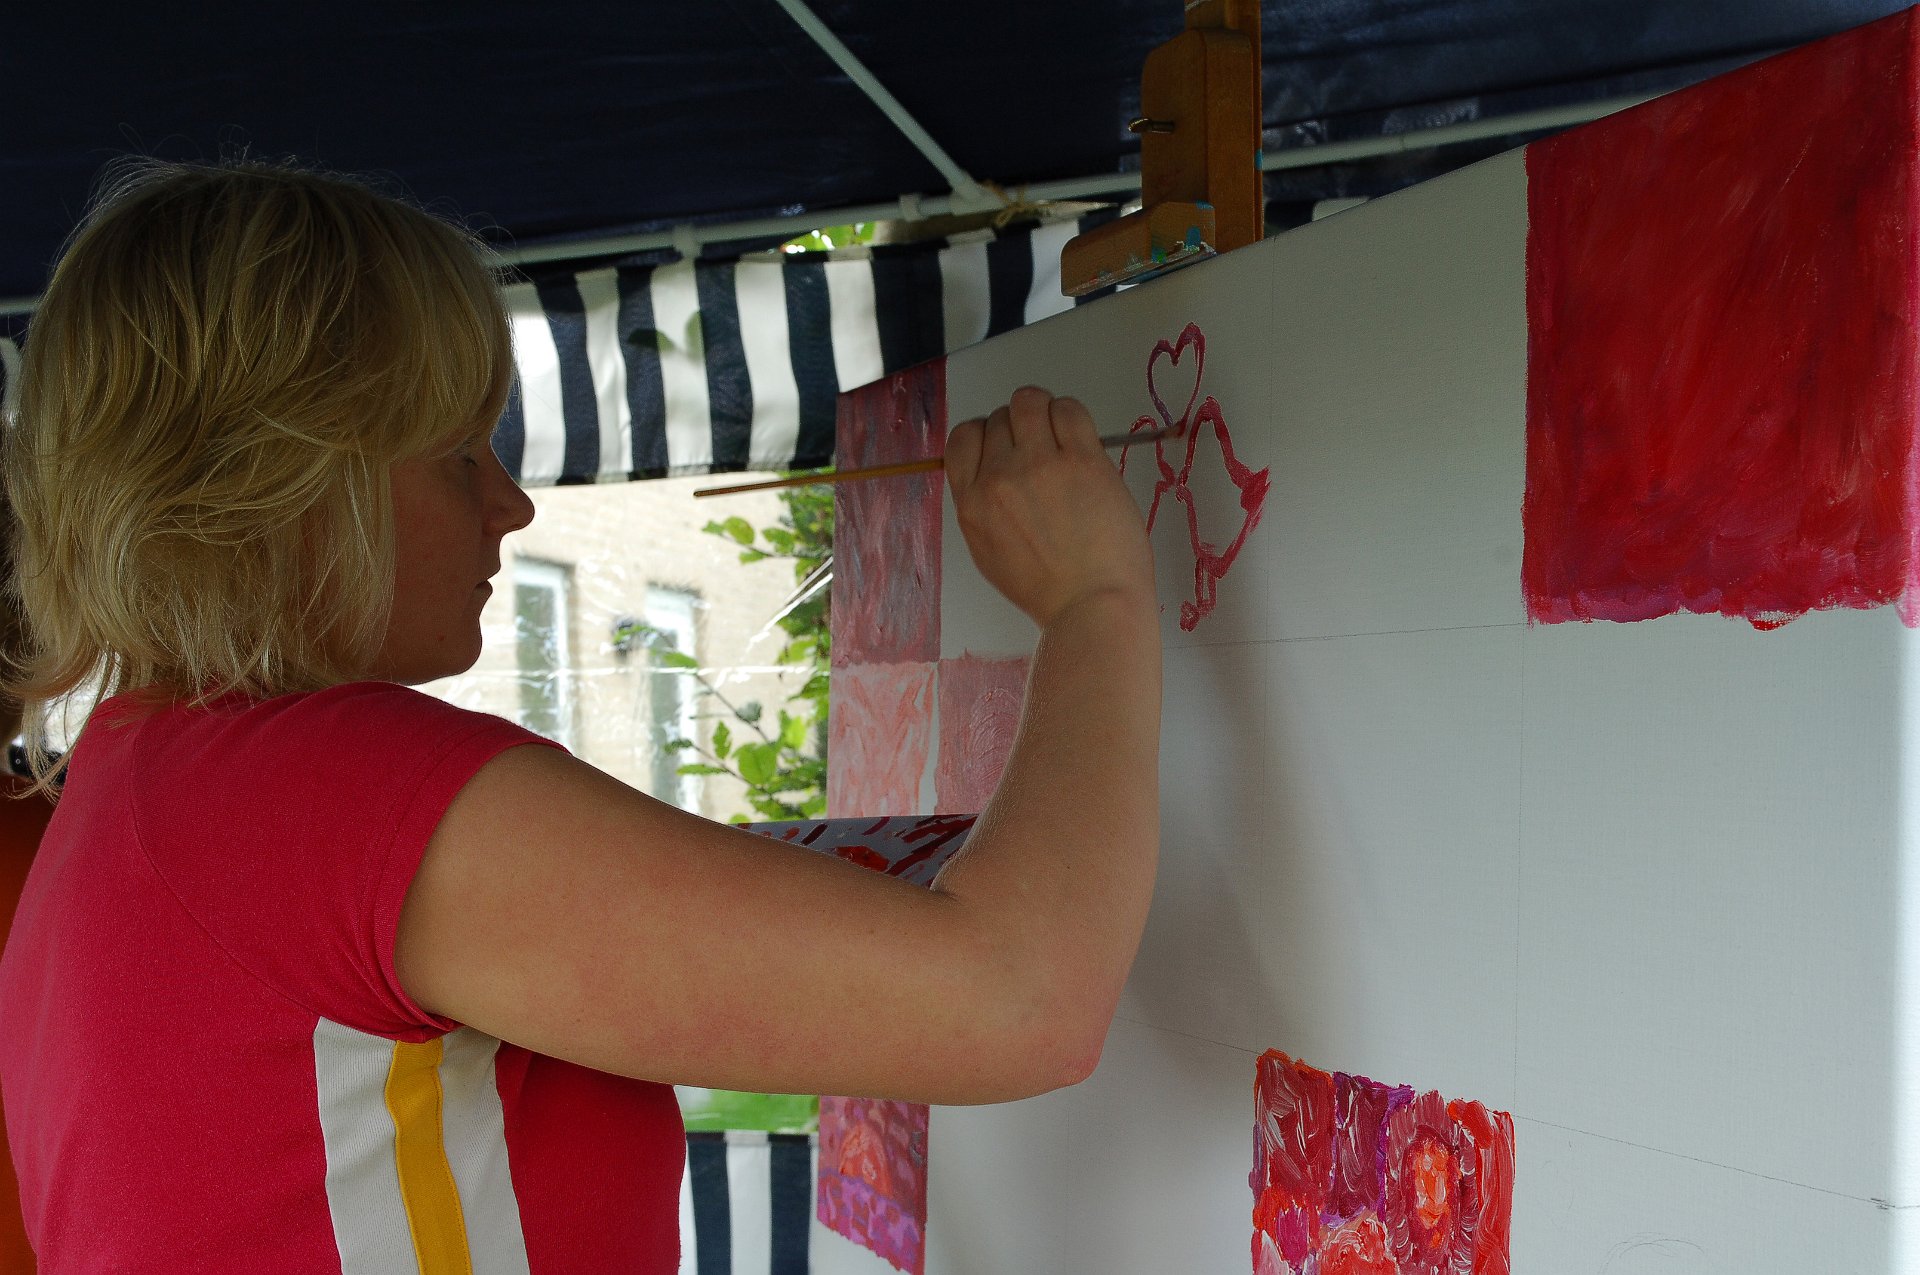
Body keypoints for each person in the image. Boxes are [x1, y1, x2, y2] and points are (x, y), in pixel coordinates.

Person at [0, 159, 1162, 1273]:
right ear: (279, 480)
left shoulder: (129, 788)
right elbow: (1019, 1002)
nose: (510, 504)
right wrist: (1095, 602)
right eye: (459, 453)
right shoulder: (318, 788)